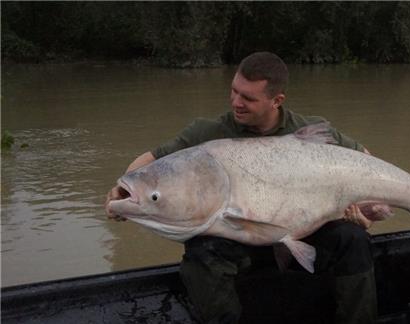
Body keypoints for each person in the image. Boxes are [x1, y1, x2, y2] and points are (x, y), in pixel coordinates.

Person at [105, 52, 377, 324]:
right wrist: (123, 189)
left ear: (276, 100)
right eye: (234, 91)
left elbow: (366, 163)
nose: (236, 102)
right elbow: (150, 160)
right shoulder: (207, 132)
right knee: (202, 252)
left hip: (305, 237)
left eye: (248, 98)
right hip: (240, 245)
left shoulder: (309, 130)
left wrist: (365, 210)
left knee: (353, 237)